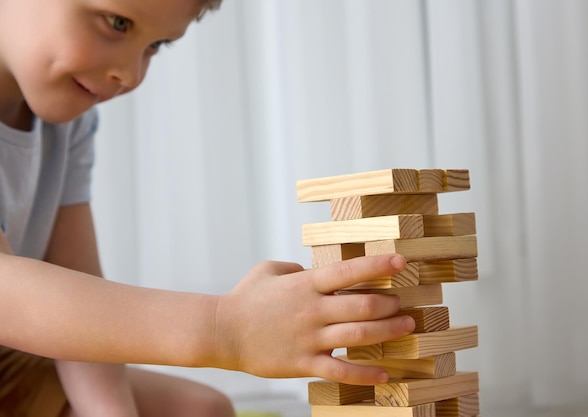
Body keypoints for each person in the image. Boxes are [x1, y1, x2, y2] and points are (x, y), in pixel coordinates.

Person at [0, 0, 417, 415]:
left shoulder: (69, 122)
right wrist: (224, 327)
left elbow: (78, 285)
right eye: (117, 23)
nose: (130, 74)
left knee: (201, 410)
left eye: (156, 45)